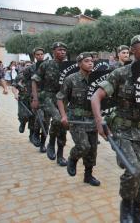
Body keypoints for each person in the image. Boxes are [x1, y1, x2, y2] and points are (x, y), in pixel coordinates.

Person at [91, 34, 140, 222]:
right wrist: (98, 121)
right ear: (133, 51)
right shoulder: (121, 73)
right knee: (133, 170)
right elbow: (96, 97)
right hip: (121, 131)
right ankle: (125, 208)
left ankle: (136, 211)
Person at [56, 52, 100, 186]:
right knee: (83, 146)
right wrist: (63, 116)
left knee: (92, 150)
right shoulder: (71, 79)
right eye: (87, 61)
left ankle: (88, 175)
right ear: (79, 64)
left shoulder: (97, 79)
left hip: (92, 119)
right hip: (76, 119)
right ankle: (73, 158)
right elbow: (60, 98)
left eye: (92, 61)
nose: (90, 63)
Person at [31, 42, 68, 167]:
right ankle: (51, 142)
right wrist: (35, 99)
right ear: (53, 51)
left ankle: (60, 155)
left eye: (64, 50)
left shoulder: (69, 66)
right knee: (57, 118)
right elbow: (34, 81)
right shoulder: (46, 65)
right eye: (59, 50)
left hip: (63, 98)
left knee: (63, 125)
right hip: (48, 96)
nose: (62, 52)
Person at [23, 48, 46, 152]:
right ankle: (33, 134)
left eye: (42, 54)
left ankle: (42, 144)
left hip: (46, 97)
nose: (40, 56)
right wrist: (30, 95)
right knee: (36, 117)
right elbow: (27, 82)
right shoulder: (29, 69)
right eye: (38, 54)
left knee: (45, 121)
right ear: (34, 56)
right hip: (34, 96)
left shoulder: (48, 66)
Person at [12, 61, 36, 141]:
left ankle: (31, 135)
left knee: (33, 117)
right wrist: (15, 94)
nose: (28, 67)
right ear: (24, 67)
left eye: (30, 66)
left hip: (33, 100)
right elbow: (14, 86)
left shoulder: (35, 77)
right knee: (23, 115)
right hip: (23, 99)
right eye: (27, 65)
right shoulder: (20, 76)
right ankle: (22, 123)